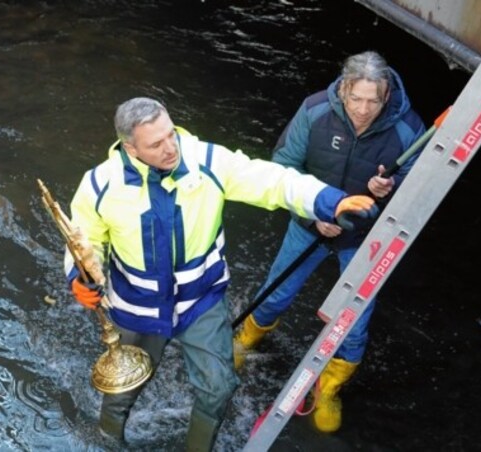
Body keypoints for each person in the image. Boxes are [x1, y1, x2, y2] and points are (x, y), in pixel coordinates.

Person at [64, 96, 377, 451]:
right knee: (121, 389)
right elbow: (82, 239)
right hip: (137, 310)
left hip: (201, 302)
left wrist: (329, 200)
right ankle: (108, 443)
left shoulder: (207, 161)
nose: (171, 149)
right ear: (130, 149)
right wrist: (79, 276)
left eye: (171, 135)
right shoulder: (99, 185)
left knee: (219, 388)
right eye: (156, 144)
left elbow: (270, 180)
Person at [233, 50, 426, 434]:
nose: (364, 109)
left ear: (386, 96)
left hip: (365, 237)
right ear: (343, 88)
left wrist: (389, 190)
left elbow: (418, 191)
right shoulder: (315, 111)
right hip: (311, 222)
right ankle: (245, 340)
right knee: (276, 293)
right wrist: (314, 214)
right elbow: (283, 166)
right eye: (356, 98)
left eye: (373, 100)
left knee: (354, 324)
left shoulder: (409, 130)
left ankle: (329, 387)